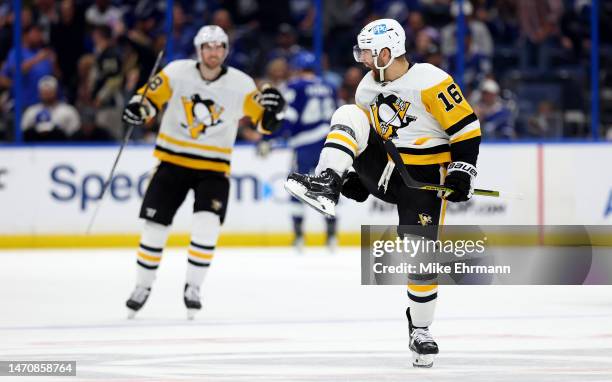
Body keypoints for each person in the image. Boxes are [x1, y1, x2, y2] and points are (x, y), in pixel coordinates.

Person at [284, 19, 481, 368]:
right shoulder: (366, 88)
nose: (361, 58)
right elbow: (370, 136)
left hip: (425, 177)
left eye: (367, 51)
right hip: (390, 172)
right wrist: (358, 174)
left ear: (388, 50)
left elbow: (466, 129)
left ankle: (420, 328)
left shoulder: (432, 81)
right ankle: (329, 182)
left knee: (420, 256)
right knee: (348, 112)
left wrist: (462, 171)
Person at [122, 25, 285, 319]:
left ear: (225, 50)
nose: (214, 52)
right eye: (208, 46)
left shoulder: (241, 83)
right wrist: (138, 109)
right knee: (154, 229)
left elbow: (263, 123)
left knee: (207, 227)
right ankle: (142, 286)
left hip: (213, 168)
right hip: (172, 163)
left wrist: (275, 113)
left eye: (219, 46)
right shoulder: (176, 72)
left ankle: (193, 288)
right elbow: (149, 100)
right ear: (199, 49)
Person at [262, 51, 338, 251]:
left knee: (298, 189)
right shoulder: (329, 86)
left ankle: (299, 237)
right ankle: (331, 237)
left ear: (296, 68)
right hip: (328, 144)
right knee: (327, 189)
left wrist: (269, 138)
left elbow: (288, 116)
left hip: (305, 145)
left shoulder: (295, 86)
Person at [21, 75, 80, 141]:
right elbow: (24, 132)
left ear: (56, 91)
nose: (47, 94)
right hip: (36, 148)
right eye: (44, 91)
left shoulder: (68, 110)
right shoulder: (31, 111)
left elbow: (74, 134)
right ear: (39, 92)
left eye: (50, 91)